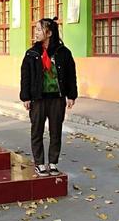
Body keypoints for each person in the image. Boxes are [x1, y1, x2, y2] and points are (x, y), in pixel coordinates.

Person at [20, 17, 77, 177]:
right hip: (38, 99)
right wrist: (25, 97)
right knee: (36, 130)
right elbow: (25, 76)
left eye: (39, 29)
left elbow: (71, 74)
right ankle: (39, 163)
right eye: (36, 29)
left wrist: (71, 95)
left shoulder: (63, 52)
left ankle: (53, 163)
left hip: (57, 99)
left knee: (55, 131)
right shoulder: (32, 53)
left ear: (49, 32)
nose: (36, 33)